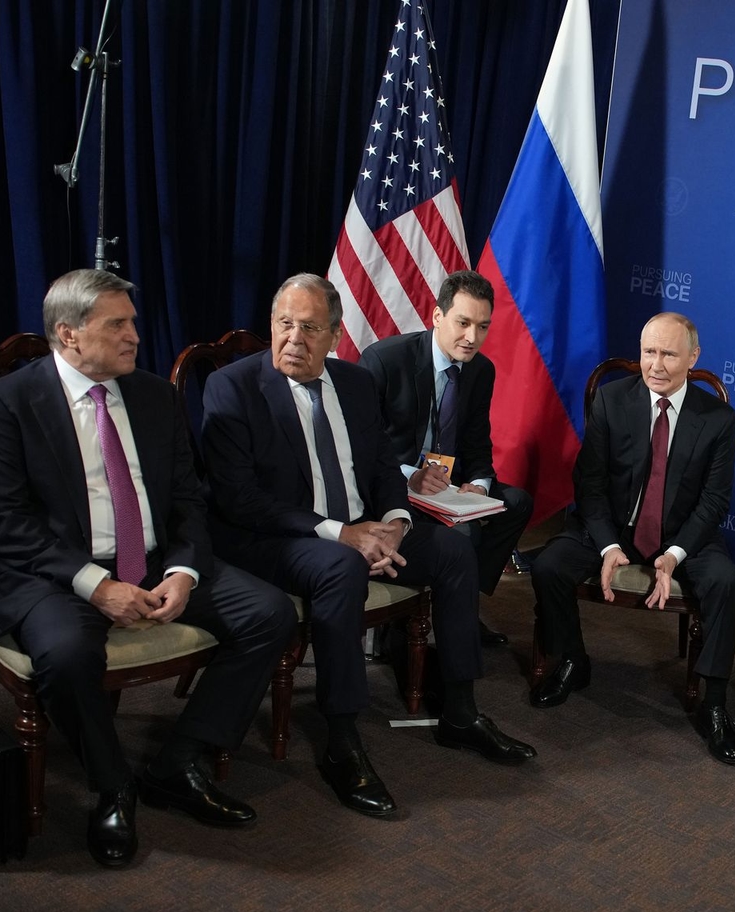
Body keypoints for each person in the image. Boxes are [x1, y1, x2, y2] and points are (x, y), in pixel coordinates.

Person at [0, 269, 296, 867]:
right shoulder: (5, 404)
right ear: (68, 335)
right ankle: (112, 783)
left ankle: (179, 759)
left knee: (270, 613)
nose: (134, 337)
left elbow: (188, 499)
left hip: (154, 562)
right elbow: (8, 524)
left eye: (133, 322)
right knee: (67, 656)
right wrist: (97, 587)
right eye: (117, 324)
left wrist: (183, 572)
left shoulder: (153, 395)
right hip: (56, 575)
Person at [199, 274, 535, 818]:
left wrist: (398, 520)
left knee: (452, 552)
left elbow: (382, 466)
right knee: (341, 568)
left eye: (309, 329)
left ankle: (461, 712)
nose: (293, 339)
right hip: (278, 536)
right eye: (284, 325)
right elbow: (238, 500)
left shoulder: (353, 384)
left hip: (362, 522)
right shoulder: (232, 387)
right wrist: (344, 534)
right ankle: (342, 738)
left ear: (334, 335)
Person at [529, 312, 735, 765]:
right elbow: (589, 485)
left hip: (685, 535)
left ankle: (714, 703)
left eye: (669, 353)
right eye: (649, 352)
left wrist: (673, 555)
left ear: (693, 357)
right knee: (548, 567)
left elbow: (714, 502)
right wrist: (608, 546)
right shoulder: (611, 401)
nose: (657, 365)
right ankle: (572, 660)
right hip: (613, 527)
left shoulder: (719, 419)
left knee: (725, 582)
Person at [360, 270, 531, 647]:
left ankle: (461, 604)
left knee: (516, 503)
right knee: (462, 534)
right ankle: (434, 620)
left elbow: (477, 440)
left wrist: (480, 483)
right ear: (437, 316)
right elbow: (362, 447)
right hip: (393, 484)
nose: (473, 338)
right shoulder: (386, 360)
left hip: (448, 485)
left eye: (483, 327)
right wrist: (409, 477)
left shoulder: (480, 369)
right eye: (463, 323)